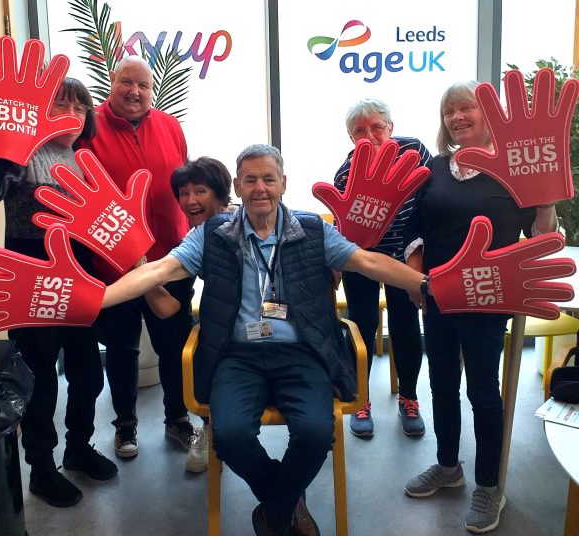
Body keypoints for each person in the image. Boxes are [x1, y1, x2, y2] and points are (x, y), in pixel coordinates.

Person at [102, 144, 428, 536]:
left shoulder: (313, 230)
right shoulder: (212, 235)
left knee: (313, 432)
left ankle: (272, 513)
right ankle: (289, 503)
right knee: (231, 435)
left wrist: (426, 285)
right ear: (237, 186)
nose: (260, 188)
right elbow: (158, 271)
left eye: (269, 179)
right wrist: (94, 300)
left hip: (301, 353)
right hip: (237, 356)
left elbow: (370, 262)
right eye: (251, 179)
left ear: (283, 184)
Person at [402, 81, 559, 534]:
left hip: (489, 298)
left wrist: (545, 198)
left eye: (465, 107)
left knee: (484, 393)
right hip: (438, 297)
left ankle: (490, 485)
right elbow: (417, 227)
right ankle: (448, 466)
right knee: (442, 384)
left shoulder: (513, 168)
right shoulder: (433, 169)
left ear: (488, 113)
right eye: (449, 110)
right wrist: (415, 276)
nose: (457, 117)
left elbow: (542, 237)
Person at [0, 78, 118, 507]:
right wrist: (0, 157)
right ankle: (41, 467)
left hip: (80, 274)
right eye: (60, 105)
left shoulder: (83, 158)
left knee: (88, 370)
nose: (71, 113)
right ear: (41, 113)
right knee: (40, 378)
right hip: (31, 274)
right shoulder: (23, 156)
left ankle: (78, 447)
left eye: (79, 106)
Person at [80, 55, 196, 459]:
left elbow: (187, 184)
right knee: (123, 347)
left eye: (143, 86)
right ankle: (125, 425)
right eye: (127, 82)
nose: (135, 92)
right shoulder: (88, 126)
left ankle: (177, 419)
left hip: (171, 257)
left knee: (174, 343)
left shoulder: (169, 125)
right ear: (112, 82)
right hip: (111, 265)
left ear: (152, 90)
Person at [334, 98, 431, 439]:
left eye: (377, 127)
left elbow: (429, 205)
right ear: (351, 138)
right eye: (360, 130)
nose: (370, 135)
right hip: (362, 259)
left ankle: (409, 397)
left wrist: (416, 259)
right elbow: (342, 225)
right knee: (362, 324)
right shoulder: (346, 172)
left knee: (405, 324)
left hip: (406, 256)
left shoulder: (415, 152)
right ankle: (360, 399)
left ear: (390, 127)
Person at [169, 156, 233, 473]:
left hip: (271, 320)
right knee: (202, 348)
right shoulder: (196, 237)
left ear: (222, 194)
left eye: (200, 191)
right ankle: (207, 429)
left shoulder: (255, 218)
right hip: (223, 320)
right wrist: (135, 264)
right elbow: (167, 303)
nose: (190, 200)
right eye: (184, 193)